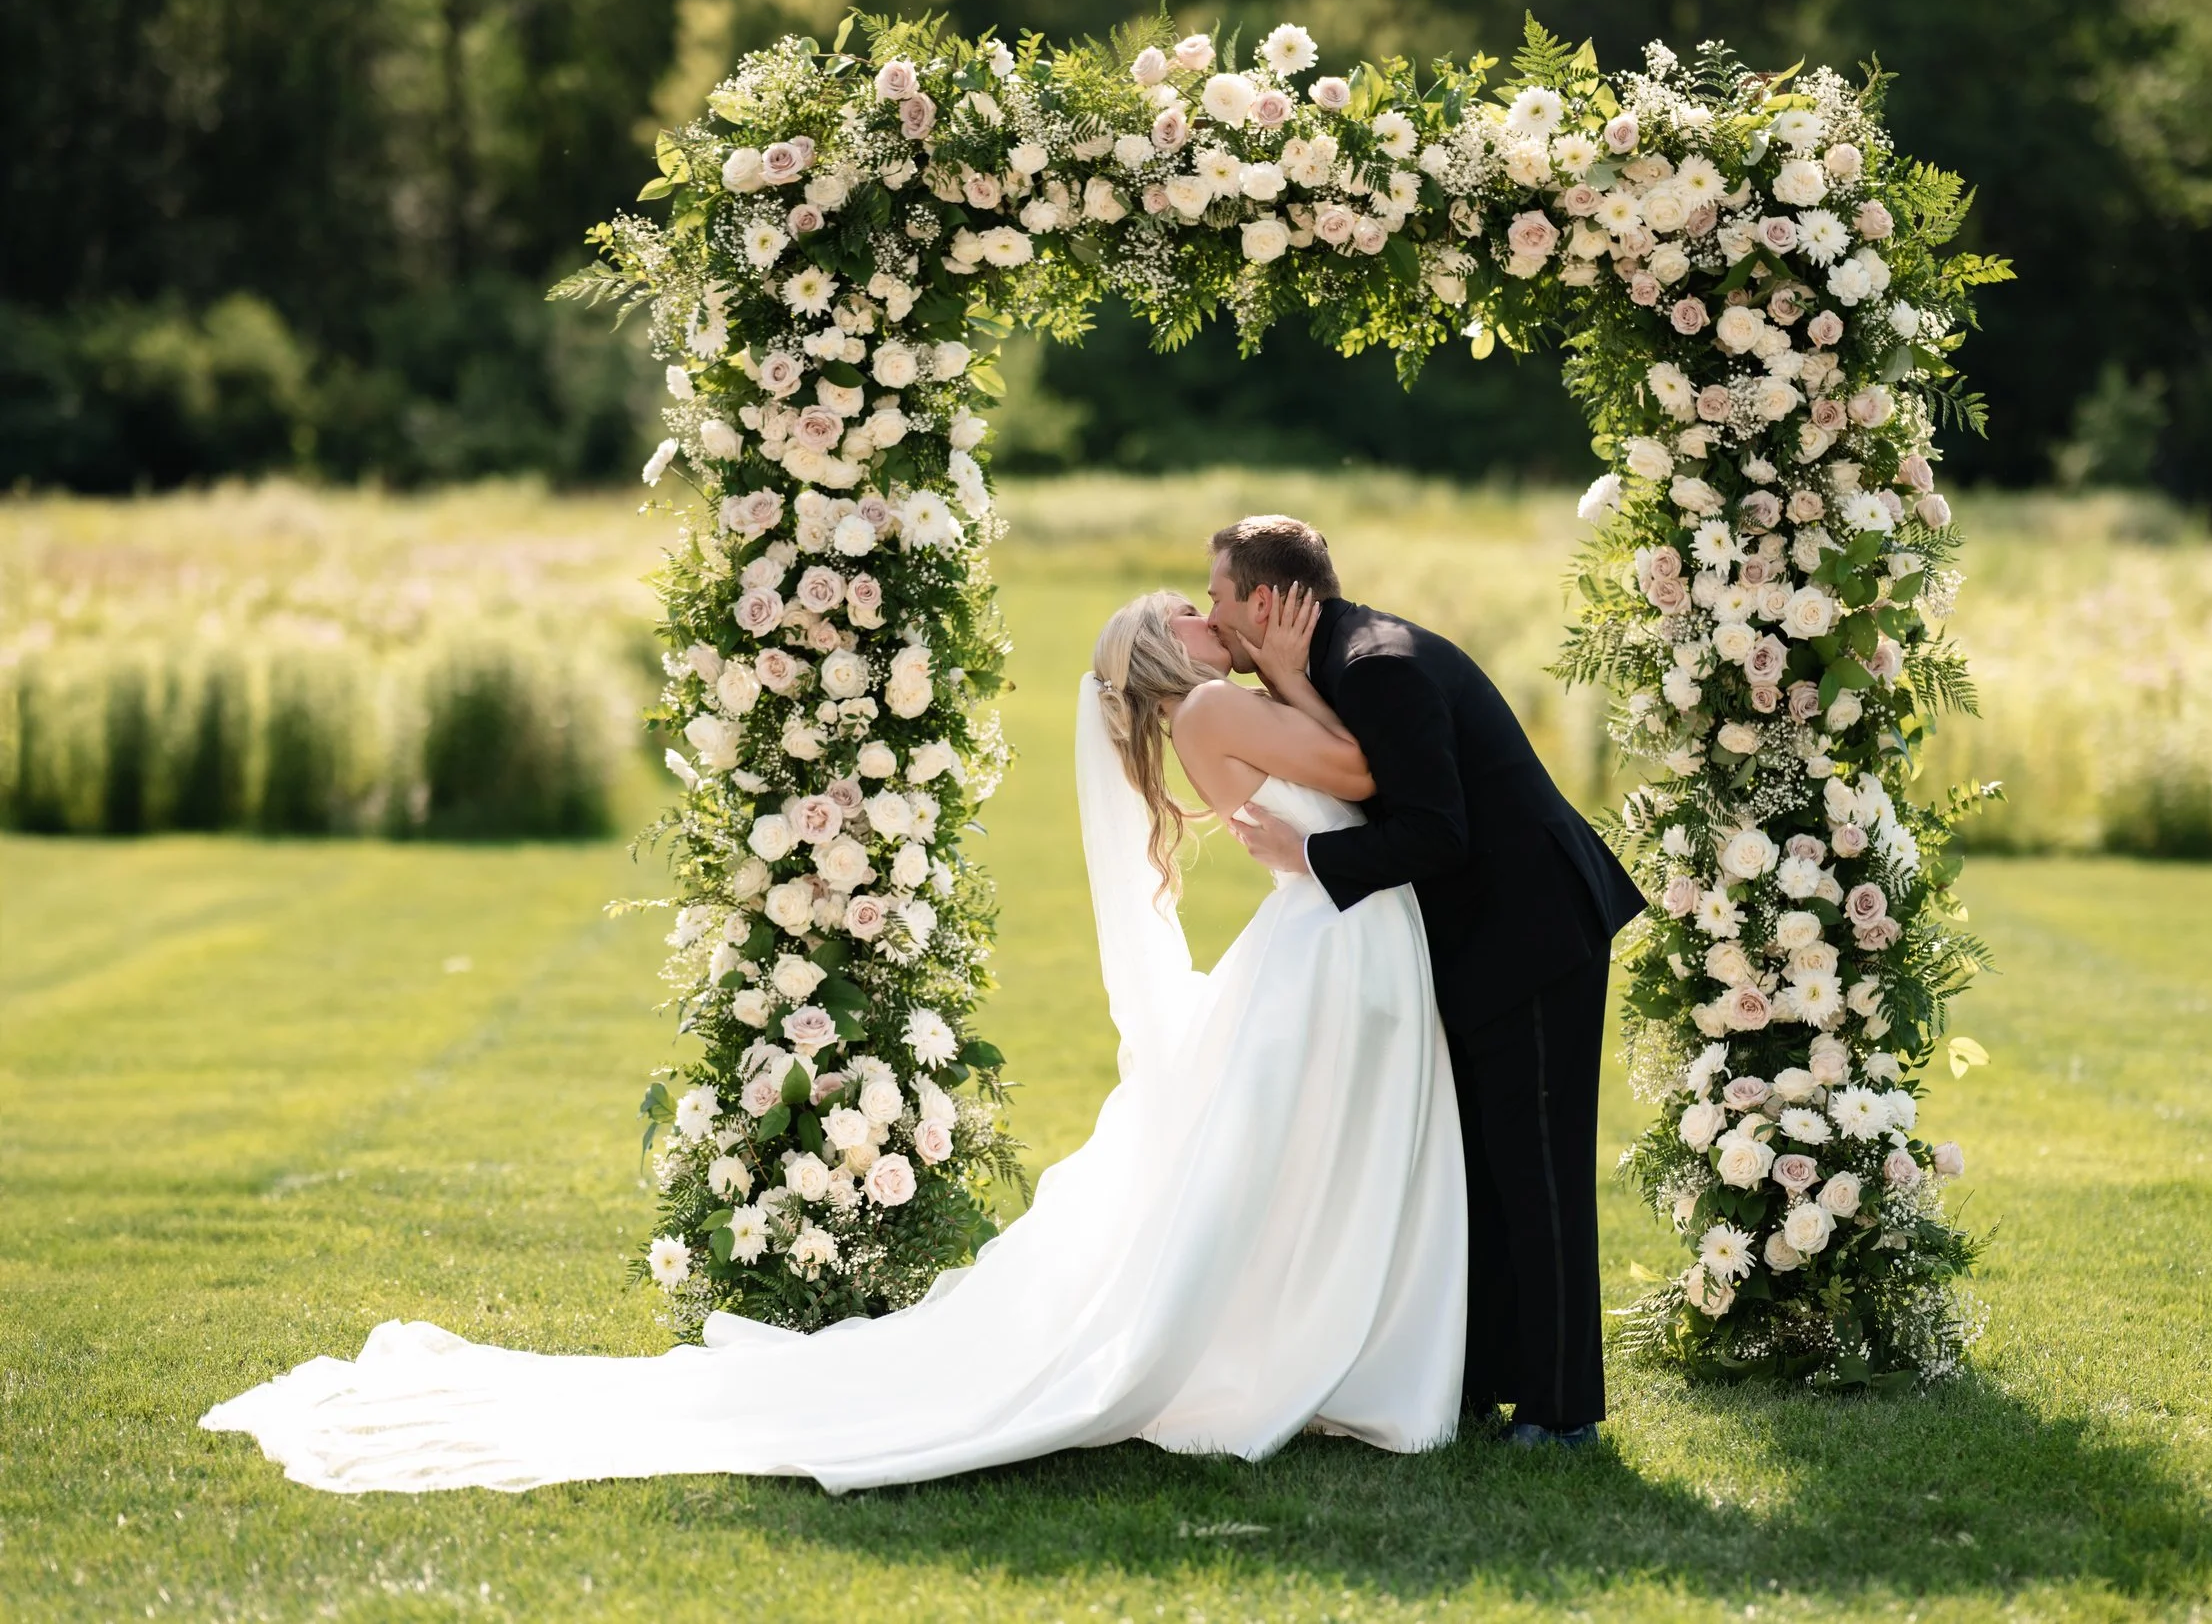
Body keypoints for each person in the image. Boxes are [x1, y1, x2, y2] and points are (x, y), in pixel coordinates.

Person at [200, 590, 1468, 1493]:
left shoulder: (1218, 704)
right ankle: (1303, 1353)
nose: (1214, 613)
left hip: (1336, 930)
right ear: (1164, 652)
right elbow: (1362, 771)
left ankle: (1330, 1341)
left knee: (1308, 1159)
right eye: (1191, 612)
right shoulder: (1214, 708)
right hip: (1329, 936)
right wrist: (1297, 671)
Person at [1211, 516, 1645, 1448]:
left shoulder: (1378, 666)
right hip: (1482, 939)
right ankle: (1487, 1379)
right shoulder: (1333, 664)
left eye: (1216, 594)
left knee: (1537, 1171)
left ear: (1262, 600)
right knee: (1481, 1168)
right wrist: (1285, 681)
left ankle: (1562, 1413)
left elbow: (1438, 830)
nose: (1210, 612)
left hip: (1534, 933)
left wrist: (1308, 853)